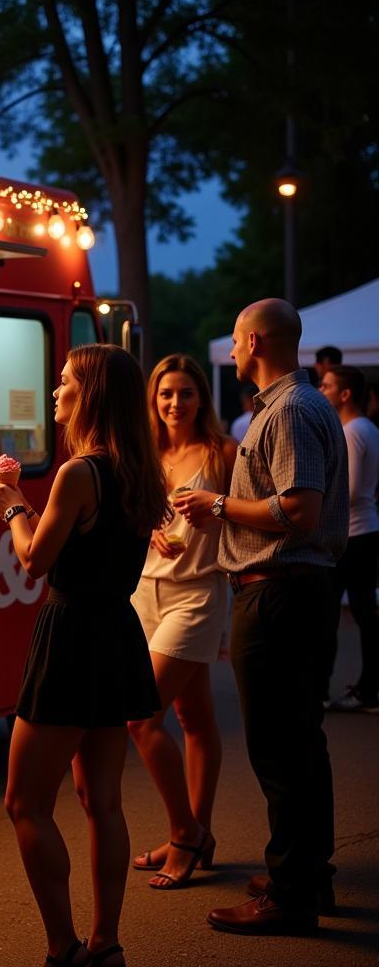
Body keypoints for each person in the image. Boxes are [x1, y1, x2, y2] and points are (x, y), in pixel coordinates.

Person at [0, 344, 167, 967]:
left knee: (25, 802)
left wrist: (11, 505)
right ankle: (106, 941)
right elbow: (75, 547)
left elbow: (35, 560)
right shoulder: (139, 471)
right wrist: (27, 511)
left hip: (69, 639)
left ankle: (62, 947)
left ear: (88, 394)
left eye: (64, 383)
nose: (56, 392)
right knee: (103, 801)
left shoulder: (79, 472)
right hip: (116, 632)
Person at [175, 298, 347, 936]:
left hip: (279, 590)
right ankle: (306, 874)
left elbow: (299, 508)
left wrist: (217, 503)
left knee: (281, 747)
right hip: (291, 589)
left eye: (238, 341)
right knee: (300, 742)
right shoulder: (293, 407)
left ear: (251, 341)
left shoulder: (293, 410)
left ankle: (291, 894)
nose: (235, 350)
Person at [128, 355, 236, 889]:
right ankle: (202, 832)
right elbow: (131, 513)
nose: (175, 403)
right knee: (194, 718)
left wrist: (217, 508)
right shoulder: (145, 454)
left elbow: (248, 516)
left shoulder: (222, 453)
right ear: (154, 399)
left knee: (141, 717)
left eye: (186, 393)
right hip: (144, 591)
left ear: (202, 399)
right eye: (166, 393)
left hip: (197, 593)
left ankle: (184, 832)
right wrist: (144, 527)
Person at [318, 365, 379, 712]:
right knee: (361, 613)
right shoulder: (365, 427)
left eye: (326, 386)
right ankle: (367, 689)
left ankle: (328, 690)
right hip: (362, 531)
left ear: (344, 394)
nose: (320, 390)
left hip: (352, 535)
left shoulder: (354, 430)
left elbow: (350, 488)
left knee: (332, 615)